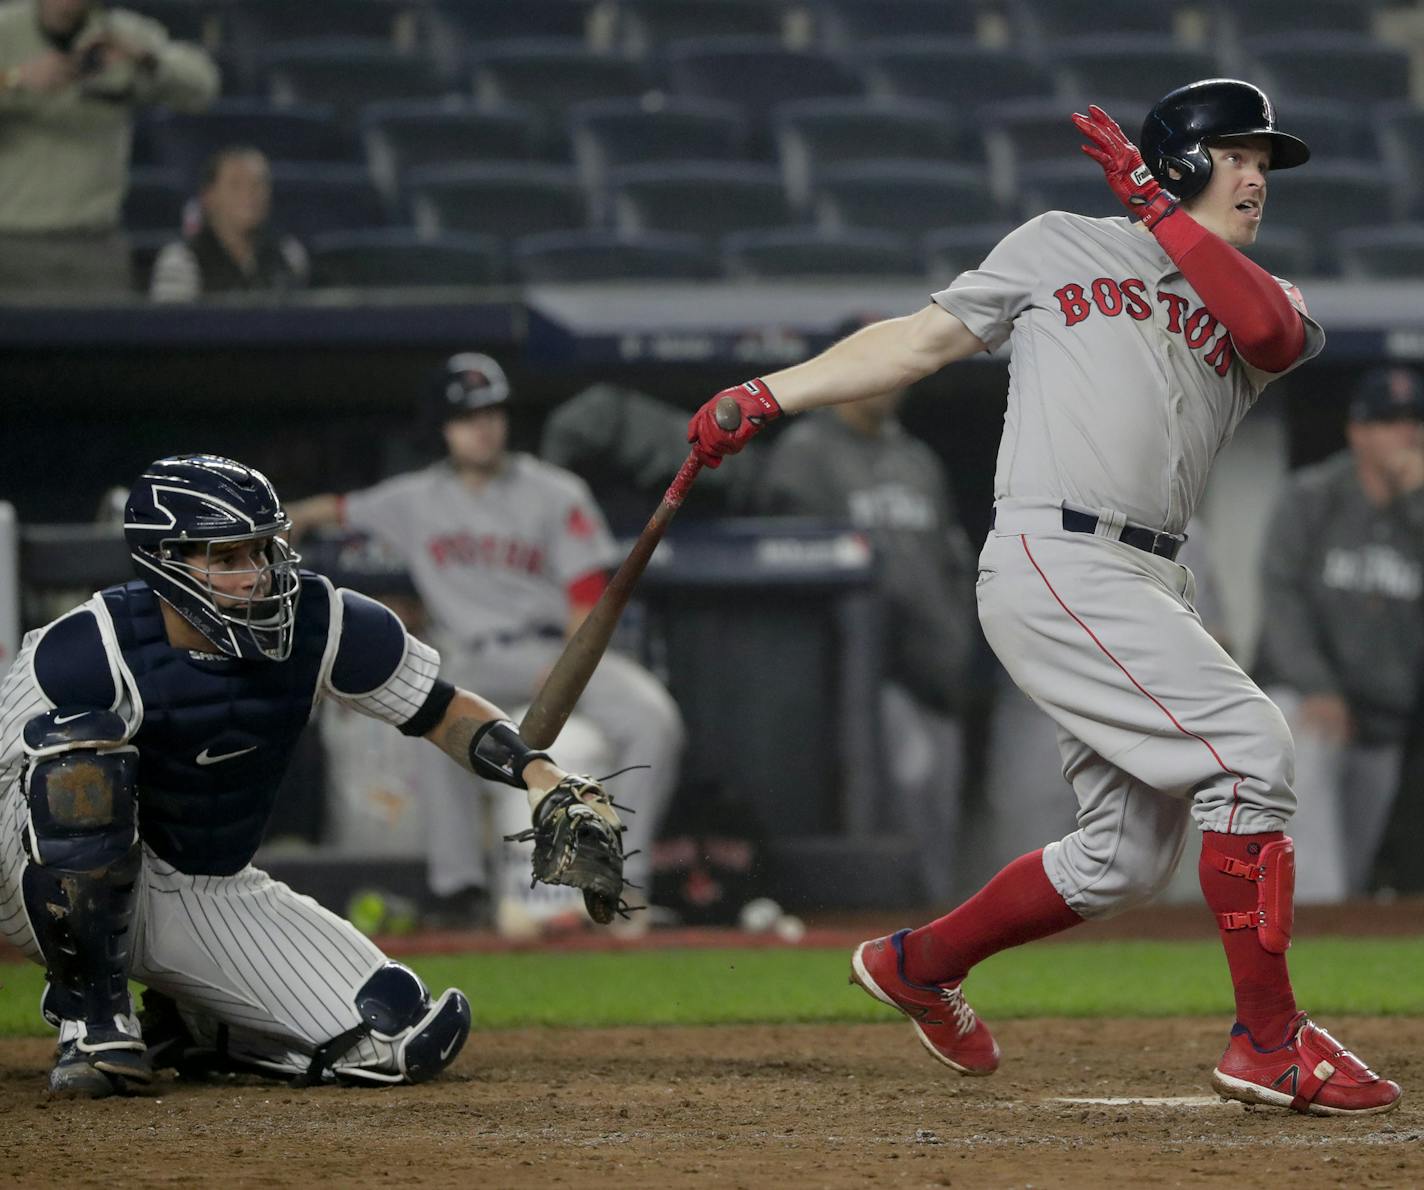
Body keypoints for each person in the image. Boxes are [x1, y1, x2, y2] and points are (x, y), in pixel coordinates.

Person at [684, 79, 1402, 1115]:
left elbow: (1266, 336)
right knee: (1251, 746)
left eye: (1263, 160)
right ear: (1184, 159)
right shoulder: (1056, 241)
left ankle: (917, 963)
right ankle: (1267, 1039)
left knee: (1120, 860)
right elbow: (919, 341)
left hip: (1152, 570)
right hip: (1051, 551)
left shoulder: (1265, 292)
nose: (1256, 175)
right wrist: (767, 391)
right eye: (1237, 153)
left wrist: (1158, 211)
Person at [0, 453, 614, 1096]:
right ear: (164, 561)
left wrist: (542, 776)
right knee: (78, 757)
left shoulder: (318, 621)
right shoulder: (80, 650)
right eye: (227, 558)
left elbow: (438, 707)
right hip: (43, 891)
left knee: (399, 1035)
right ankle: (94, 1020)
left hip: (198, 885)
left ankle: (201, 1024)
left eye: (262, 552)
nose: (255, 576)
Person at [287, 353, 685, 924]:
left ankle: (622, 884)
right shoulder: (415, 498)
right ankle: (459, 891)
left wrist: (571, 662)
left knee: (655, 718)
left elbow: (591, 589)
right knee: (428, 710)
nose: (484, 426)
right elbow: (335, 510)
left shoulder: (555, 491)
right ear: (442, 428)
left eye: (493, 412)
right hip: (471, 657)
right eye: (468, 415)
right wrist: (284, 520)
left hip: (557, 649)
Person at [755, 386, 976, 903]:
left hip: (935, 659)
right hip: (857, 664)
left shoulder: (916, 458)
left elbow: (952, 561)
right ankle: (891, 925)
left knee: (937, 802)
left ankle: (937, 927)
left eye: (897, 374)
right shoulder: (805, 452)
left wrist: (956, 637)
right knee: (896, 793)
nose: (887, 385)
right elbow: (789, 562)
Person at [1256, 366, 1424, 903]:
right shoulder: (1312, 496)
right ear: (1357, 432)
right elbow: (1281, 597)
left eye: (1414, 420)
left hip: (1386, 718)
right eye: (1388, 421)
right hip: (1309, 701)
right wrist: (1317, 684)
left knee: (1350, 872)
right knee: (1318, 871)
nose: (1406, 432)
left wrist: (1417, 504)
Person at [0, 0, 219, 294]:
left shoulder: (119, 31)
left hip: (95, 239)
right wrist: (12, 79)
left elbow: (204, 85)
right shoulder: (6, 29)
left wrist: (145, 60)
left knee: (103, 337)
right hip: (13, 239)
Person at [150, 146, 308, 301]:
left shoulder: (289, 255)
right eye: (236, 185)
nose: (250, 194)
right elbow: (173, 325)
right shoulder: (181, 261)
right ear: (209, 197)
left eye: (258, 184)